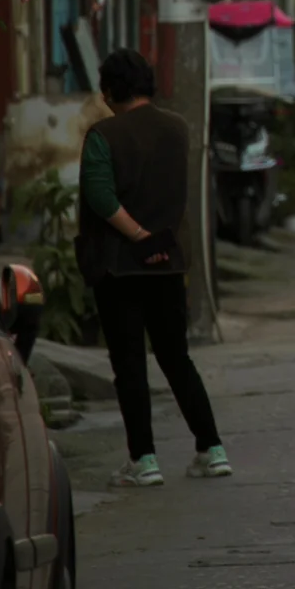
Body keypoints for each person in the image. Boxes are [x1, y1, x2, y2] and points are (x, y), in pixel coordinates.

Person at [77, 48, 232, 487]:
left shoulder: (103, 135)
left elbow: (102, 198)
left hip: (120, 266)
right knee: (176, 357)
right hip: (168, 261)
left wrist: (137, 236)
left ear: (110, 91)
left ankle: (144, 460)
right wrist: (155, 241)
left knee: (129, 363)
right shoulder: (178, 129)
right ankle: (211, 448)